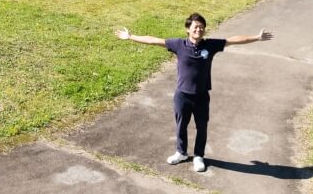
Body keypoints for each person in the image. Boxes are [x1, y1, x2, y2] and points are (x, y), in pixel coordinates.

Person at [116, 13, 272, 173]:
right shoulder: (178, 44)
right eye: (196, 27)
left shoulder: (210, 45)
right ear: (188, 29)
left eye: (202, 27)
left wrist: (257, 37)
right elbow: (154, 40)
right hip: (182, 96)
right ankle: (181, 153)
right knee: (181, 125)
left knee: (202, 127)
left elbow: (234, 40)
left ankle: (198, 156)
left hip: (202, 96)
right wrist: (130, 36)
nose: (199, 29)